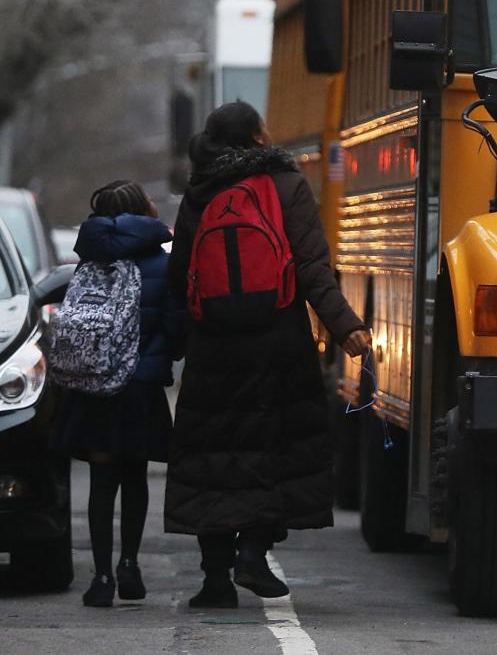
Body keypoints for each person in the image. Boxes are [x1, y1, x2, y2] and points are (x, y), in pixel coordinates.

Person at [164, 101, 371, 608]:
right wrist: (345, 326)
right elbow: (311, 264)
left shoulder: (201, 187)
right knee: (273, 449)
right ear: (258, 137)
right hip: (276, 342)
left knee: (213, 458)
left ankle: (214, 579)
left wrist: (174, 341)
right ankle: (253, 553)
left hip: (213, 345)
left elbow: (181, 273)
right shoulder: (284, 182)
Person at [51, 180, 179, 608]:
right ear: (144, 212)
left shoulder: (88, 261)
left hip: (92, 386)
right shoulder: (161, 264)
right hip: (138, 387)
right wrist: (158, 360)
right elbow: (175, 326)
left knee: (101, 481)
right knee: (134, 476)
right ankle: (129, 564)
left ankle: (101, 575)